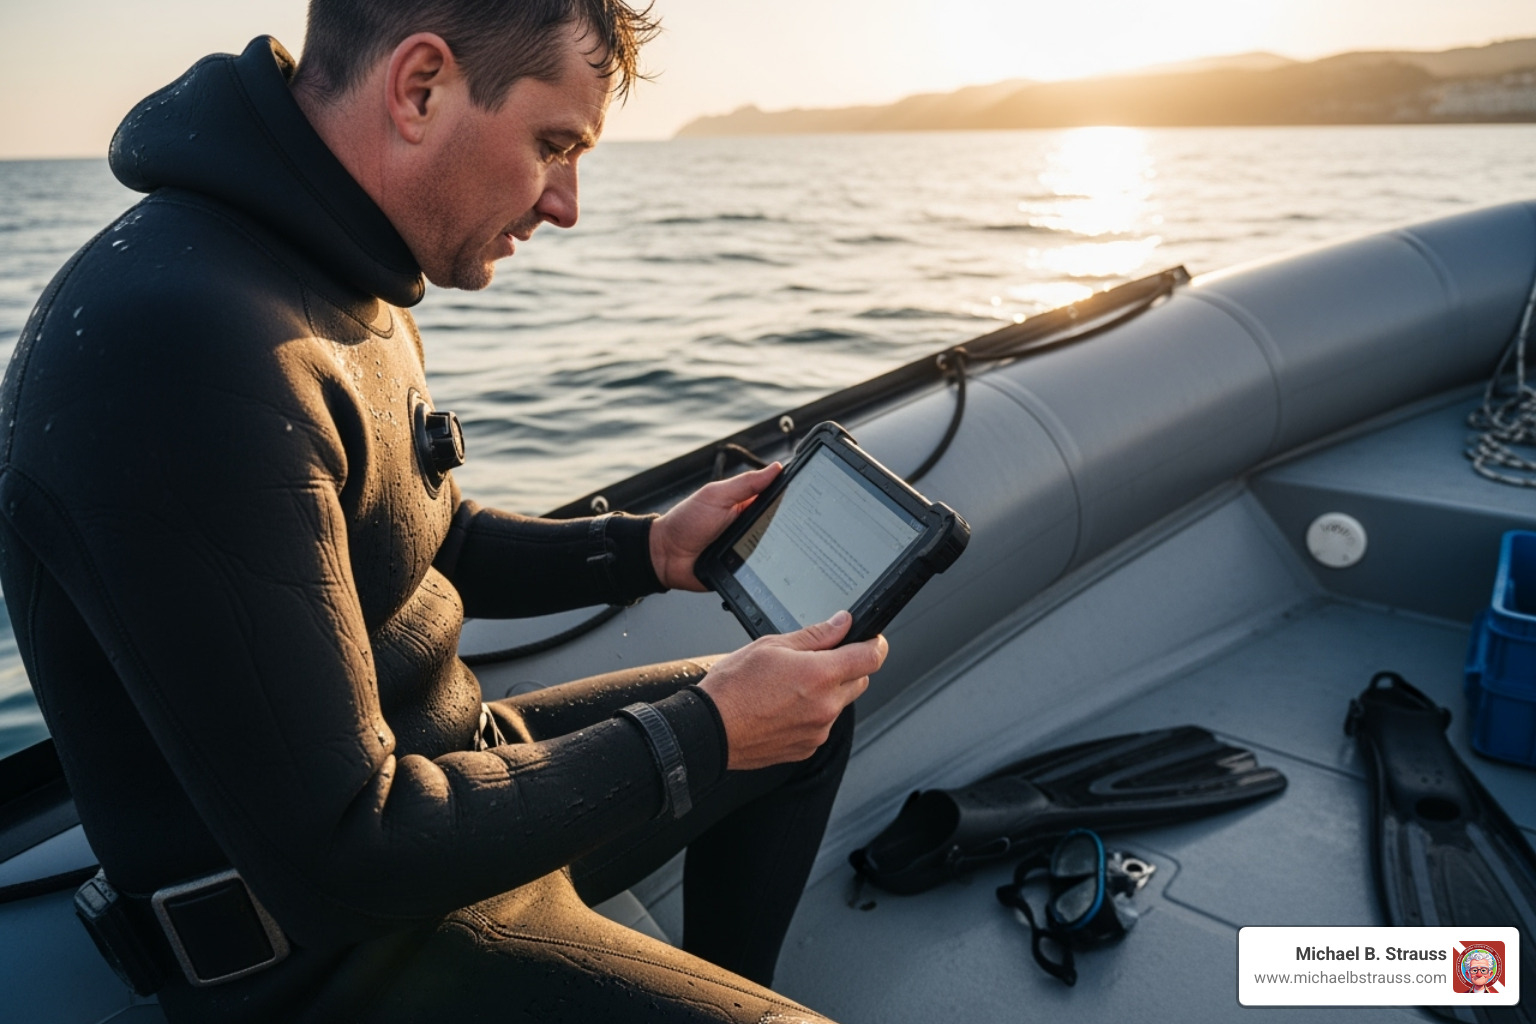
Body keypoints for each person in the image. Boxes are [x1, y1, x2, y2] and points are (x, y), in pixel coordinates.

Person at [0, 2, 887, 1021]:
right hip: (336, 948)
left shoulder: (329, 271)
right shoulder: (176, 353)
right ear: (420, 88)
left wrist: (647, 548)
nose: (568, 204)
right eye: (554, 144)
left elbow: (427, 539)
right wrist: (703, 732)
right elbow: (346, 854)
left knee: (807, 720)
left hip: (450, 790)